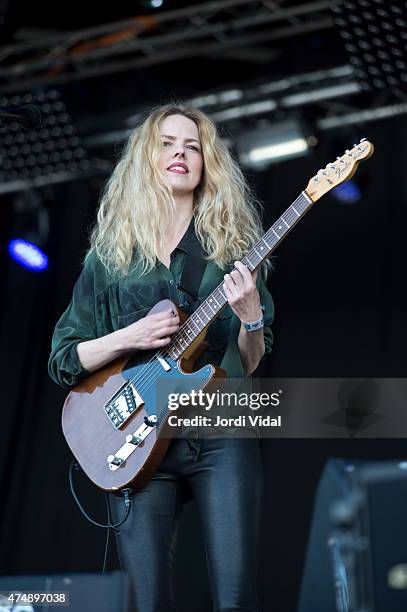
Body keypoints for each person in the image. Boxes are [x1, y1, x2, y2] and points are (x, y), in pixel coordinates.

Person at [48, 103, 274, 612]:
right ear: (146, 159)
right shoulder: (111, 256)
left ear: (206, 163)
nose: (180, 154)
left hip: (221, 431)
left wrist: (252, 318)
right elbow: (64, 357)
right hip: (136, 442)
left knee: (237, 599)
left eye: (192, 147)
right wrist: (131, 335)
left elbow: (251, 359)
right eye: (167, 144)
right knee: (149, 604)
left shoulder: (232, 249)